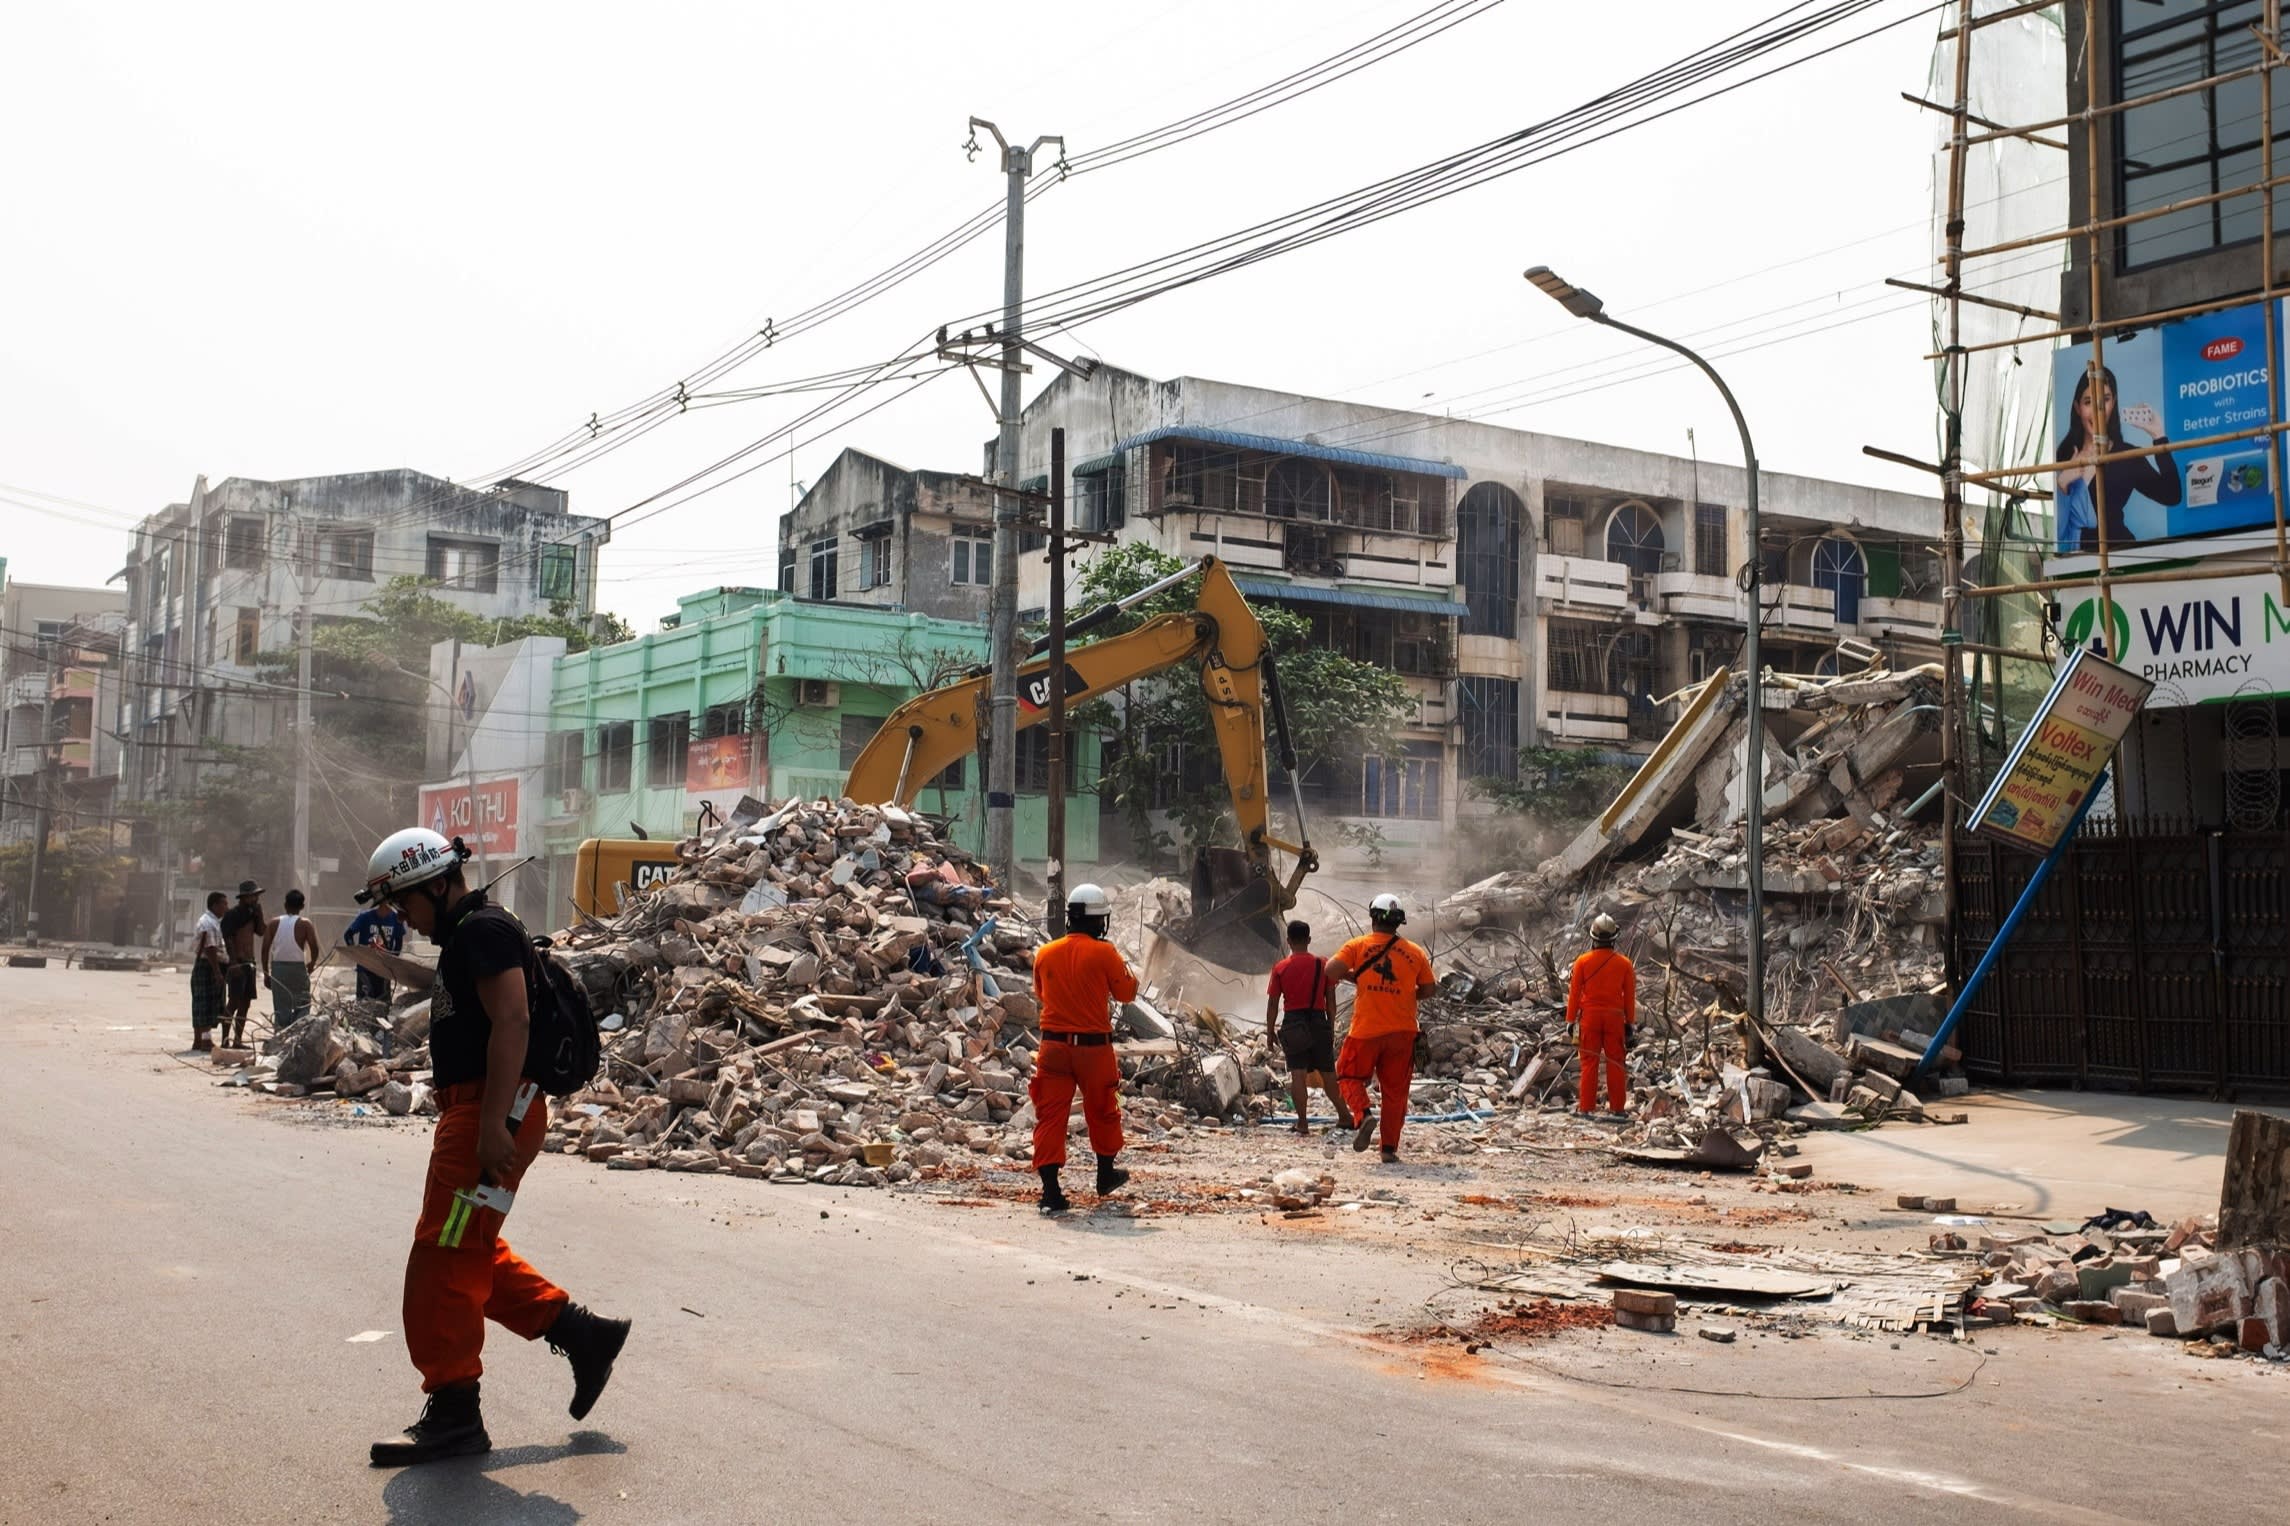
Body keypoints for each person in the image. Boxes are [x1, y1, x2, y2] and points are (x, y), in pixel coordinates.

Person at [360, 827, 629, 1467]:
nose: (403, 917)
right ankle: (581, 1334)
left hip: (492, 1110)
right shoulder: (471, 933)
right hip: (483, 1108)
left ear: (433, 884)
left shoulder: (482, 932)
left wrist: (490, 1126)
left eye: (403, 903)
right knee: (466, 1243)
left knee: (443, 1254)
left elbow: (513, 1019)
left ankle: (455, 1412)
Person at [1027, 882, 1138, 1215]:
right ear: (1097, 921)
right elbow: (1127, 994)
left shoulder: (1045, 953)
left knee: (1050, 1116)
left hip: (1053, 1047)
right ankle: (1105, 1175)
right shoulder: (1105, 953)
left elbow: (1042, 994)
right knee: (1105, 1108)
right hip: (1094, 1048)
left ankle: (1050, 1192)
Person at [1328, 893, 1435, 1165]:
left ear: (1373, 917)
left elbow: (1330, 971)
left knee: (1348, 1075)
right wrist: (1404, 994)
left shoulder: (1358, 946)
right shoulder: (1414, 952)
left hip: (1366, 1030)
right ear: (1399, 922)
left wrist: (1355, 977)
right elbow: (1430, 988)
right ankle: (1388, 1149)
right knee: (1395, 1093)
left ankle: (1363, 1115)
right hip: (1403, 1031)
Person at [2055, 364, 2180, 553]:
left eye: (2104, 400)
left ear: (2113, 402)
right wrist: (2063, 482)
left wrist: (2159, 436)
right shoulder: (2063, 454)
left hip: (2121, 555)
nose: (2097, 411)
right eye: (2088, 402)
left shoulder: (2126, 456)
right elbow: (2057, 529)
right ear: (2077, 407)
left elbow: (2172, 495)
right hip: (2076, 561)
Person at [1264, 920, 1353, 1138]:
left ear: (1288, 941)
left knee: (1298, 1074)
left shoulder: (1280, 968)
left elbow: (1273, 1004)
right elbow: (1330, 999)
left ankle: (1302, 1123)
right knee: (1328, 1074)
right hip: (1318, 1020)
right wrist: (1330, 1026)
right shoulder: (1323, 964)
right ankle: (1345, 1116)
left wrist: (1269, 1032)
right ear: (1309, 940)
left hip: (1293, 1023)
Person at [1566, 913, 1636, 1121]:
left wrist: (1570, 1021)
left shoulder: (1582, 961)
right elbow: (1629, 997)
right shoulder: (1624, 964)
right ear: (1614, 938)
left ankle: (1586, 1108)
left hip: (1589, 1019)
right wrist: (1629, 1023)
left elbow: (1574, 994)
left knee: (1589, 1062)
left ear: (1593, 937)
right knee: (1616, 1062)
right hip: (1615, 1019)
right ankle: (1617, 1109)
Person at [218, 881, 268, 1050]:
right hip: (237, 963)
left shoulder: (253, 914)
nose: (256, 898)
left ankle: (237, 1040)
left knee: (245, 1004)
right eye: (253, 895)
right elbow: (228, 938)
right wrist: (233, 962)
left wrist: (260, 914)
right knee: (233, 1002)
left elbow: (262, 931)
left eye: (257, 896)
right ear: (245, 897)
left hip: (250, 963)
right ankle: (225, 1039)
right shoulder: (233, 915)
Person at [265, 889, 322, 1026]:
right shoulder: (305, 924)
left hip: (278, 969)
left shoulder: (273, 923)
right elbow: (314, 947)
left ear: (285, 905)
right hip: (297, 968)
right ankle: (298, 1033)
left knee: (280, 1005)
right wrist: (312, 963)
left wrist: (267, 973)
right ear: (302, 906)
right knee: (302, 1004)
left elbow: (264, 950)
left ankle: (281, 1034)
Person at [343, 901, 407, 1005]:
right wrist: (357, 954)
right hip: (365, 968)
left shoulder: (396, 919)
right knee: (364, 1003)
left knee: (384, 1003)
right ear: (382, 903)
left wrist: (392, 960)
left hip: (384, 969)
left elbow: (398, 943)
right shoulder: (365, 917)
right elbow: (348, 935)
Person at [190, 891, 229, 1052]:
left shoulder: (213, 921)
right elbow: (211, 948)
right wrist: (217, 972)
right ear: (215, 905)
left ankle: (199, 1040)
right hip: (208, 966)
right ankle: (205, 1040)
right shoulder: (208, 923)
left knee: (202, 1002)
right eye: (224, 904)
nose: (226, 907)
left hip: (208, 965)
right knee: (207, 1003)